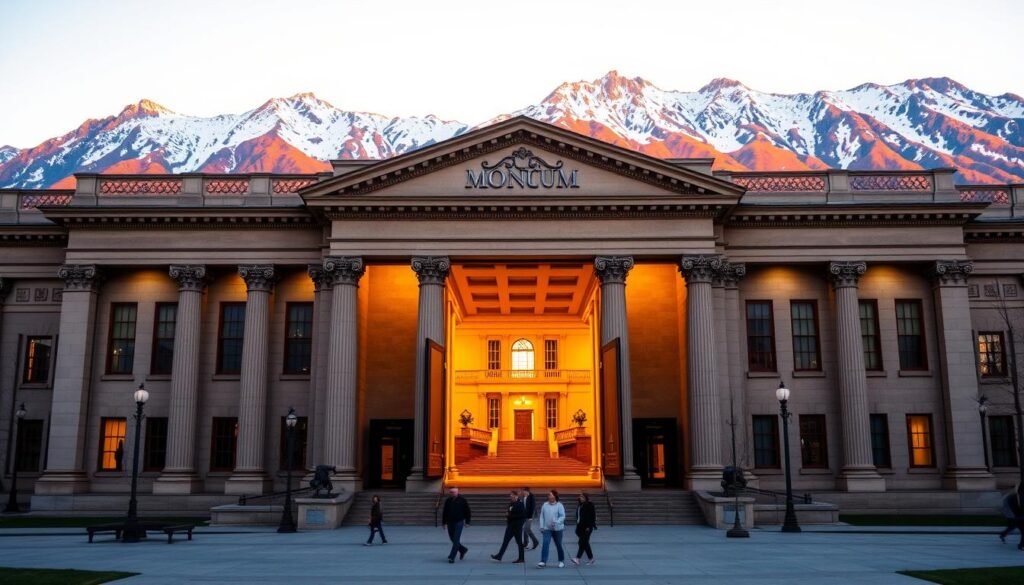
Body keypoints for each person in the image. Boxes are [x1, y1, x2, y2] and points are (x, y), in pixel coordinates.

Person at [491, 489, 526, 563]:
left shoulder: (520, 504)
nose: (510, 496)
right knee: (505, 541)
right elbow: (509, 511)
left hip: (517, 527)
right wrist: (508, 514)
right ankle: (499, 556)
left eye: (512, 495)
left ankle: (521, 558)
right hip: (510, 526)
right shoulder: (511, 503)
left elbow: (522, 516)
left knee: (519, 542)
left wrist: (510, 515)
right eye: (510, 495)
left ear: (516, 496)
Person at [441, 486, 471, 563]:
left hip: (459, 522)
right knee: (452, 539)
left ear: (457, 492)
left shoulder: (462, 500)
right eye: (451, 492)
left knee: (456, 539)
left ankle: (452, 556)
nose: (452, 493)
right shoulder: (448, 501)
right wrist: (444, 522)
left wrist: (467, 522)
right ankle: (463, 549)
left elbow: (467, 511)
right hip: (450, 522)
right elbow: (445, 512)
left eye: (454, 492)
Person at [537, 489, 566, 568]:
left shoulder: (559, 505)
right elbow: (541, 516)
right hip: (547, 529)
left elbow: (562, 516)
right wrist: (541, 526)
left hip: (557, 529)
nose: (549, 496)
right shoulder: (545, 505)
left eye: (550, 495)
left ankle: (561, 561)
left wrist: (556, 522)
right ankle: (543, 561)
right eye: (548, 495)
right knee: (545, 544)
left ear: (554, 496)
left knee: (558, 544)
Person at [571, 492, 596, 565]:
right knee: (585, 543)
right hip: (580, 527)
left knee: (582, 542)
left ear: (586, 498)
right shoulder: (580, 505)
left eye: (582, 497)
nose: (580, 498)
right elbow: (578, 516)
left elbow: (592, 516)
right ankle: (591, 558)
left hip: (587, 528)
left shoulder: (589, 505)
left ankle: (577, 558)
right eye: (580, 496)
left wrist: (589, 526)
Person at [1003, 484, 1024, 550]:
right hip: (1019, 516)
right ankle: (1021, 545)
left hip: (1017, 516)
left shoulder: (1013, 497)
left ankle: (1021, 545)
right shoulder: (1014, 497)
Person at [521, 486, 539, 550]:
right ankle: (525, 543)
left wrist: (530, 517)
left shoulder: (531, 497)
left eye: (523, 491)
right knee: (525, 529)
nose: (522, 492)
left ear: (527, 491)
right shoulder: (523, 497)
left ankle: (535, 542)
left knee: (527, 529)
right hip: (525, 516)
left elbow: (533, 507)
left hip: (530, 516)